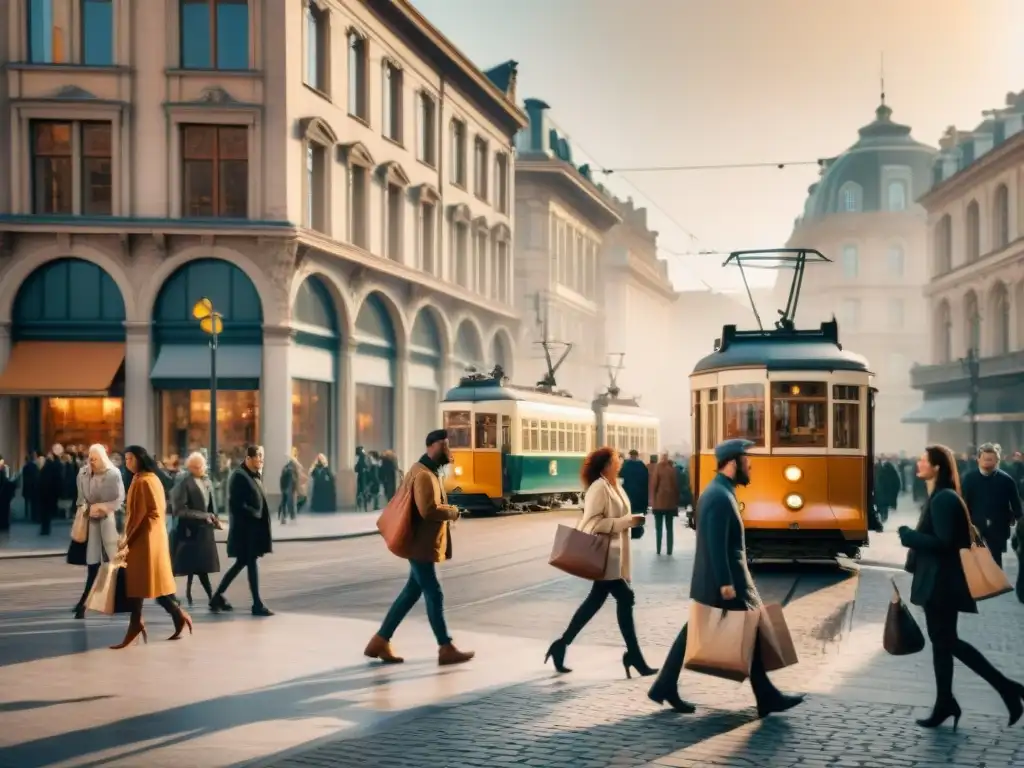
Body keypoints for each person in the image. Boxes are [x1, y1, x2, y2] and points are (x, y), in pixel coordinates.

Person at [648, 439, 805, 717]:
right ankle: (766, 696)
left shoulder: (720, 491)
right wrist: (725, 583)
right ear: (733, 463)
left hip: (719, 581)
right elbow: (716, 544)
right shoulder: (720, 496)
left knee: (697, 632)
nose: (751, 466)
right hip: (724, 583)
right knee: (748, 629)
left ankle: (664, 685)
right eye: (747, 461)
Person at [898, 444, 1024, 730]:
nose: (918, 464)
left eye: (923, 460)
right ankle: (946, 702)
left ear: (937, 467)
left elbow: (945, 543)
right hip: (940, 582)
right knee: (943, 644)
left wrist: (909, 536)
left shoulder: (943, 499)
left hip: (941, 584)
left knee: (947, 642)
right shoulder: (942, 496)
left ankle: (1007, 688)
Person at [364, 429, 474, 666]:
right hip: (420, 545)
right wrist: (453, 512)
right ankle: (445, 647)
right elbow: (428, 510)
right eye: (445, 446)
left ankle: (380, 640)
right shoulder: (424, 475)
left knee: (412, 592)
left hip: (420, 544)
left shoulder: (427, 471)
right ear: (431, 446)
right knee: (434, 593)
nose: (448, 450)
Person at [544, 446, 654, 677]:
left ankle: (561, 645)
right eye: (616, 459)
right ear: (606, 465)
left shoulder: (615, 485)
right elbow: (592, 523)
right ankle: (634, 656)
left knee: (595, 603)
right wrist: (627, 522)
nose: (620, 462)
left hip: (614, 558)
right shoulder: (598, 488)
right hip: (605, 557)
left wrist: (630, 521)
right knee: (625, 597)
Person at [112, 445, 193, 649]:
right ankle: (168, 616)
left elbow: (137, 517)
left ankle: (138, 622)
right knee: (149, 582)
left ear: (140, 459)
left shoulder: (141, 481)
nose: (127, 463)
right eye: (126, 459)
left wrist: (125, 540)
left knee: (139, 582)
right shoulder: (152, 478)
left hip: (144, 539)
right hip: (154, 536)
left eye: (130, 459)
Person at [210, 445, 274, 616]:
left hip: (252, 531)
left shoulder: (253, 475)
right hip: (245, 531)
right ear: (249, 458)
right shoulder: (239, 476)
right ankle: (256, 604)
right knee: (249, 564)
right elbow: (237, 504)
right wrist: (255, 514)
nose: (261, 459)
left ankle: (217, 597)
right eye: (259, 456)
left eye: (262, 456)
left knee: (241, 564)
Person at [70, 445, 124, 619]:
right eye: (90, 457)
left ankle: (120, 600)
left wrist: (102, 508)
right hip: (90, 522)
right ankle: (83, 604)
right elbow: (80, 499)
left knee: (116, 563)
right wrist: (84, 508)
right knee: (92, 565)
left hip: (108, 522)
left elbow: (118, 499)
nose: (92, 461)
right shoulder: (83, 474)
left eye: (95, 458)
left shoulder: (113, 473)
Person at [170, 452, 222, 607]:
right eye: (198, 467)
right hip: (189, 531)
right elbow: (179, 510)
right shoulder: (184, 481)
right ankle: (172, 595)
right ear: (190, 468)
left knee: (202, 566)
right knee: (185, 565)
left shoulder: (207, 481)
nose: (202, 469)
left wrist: (215, 520)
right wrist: (202, 515)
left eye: (203, 466)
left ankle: (210, 597)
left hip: (204, 531)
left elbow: (212, 504)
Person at [959, 443, 1021, 568]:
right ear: (978, 460)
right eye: (985, 459)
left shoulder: (1006, 480)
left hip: (998, 526)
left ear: (997, 461)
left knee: (995, 560)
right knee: (975, 562)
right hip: (974, 527)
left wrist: (1018, 521)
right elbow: (962, 502)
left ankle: (996, 586)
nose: (987, 462)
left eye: (990, 459)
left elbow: (1016, 504)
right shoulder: (969, 479)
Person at [650, 452, 680, 555]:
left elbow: (654, 486)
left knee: (658, 529)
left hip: (659, 504)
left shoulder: (657, 469)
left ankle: (658, 549)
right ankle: (669, 550)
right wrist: (676, 502)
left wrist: (653, 502)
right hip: (670, 505)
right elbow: (676, 487)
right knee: (670, 529)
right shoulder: (672, 470)